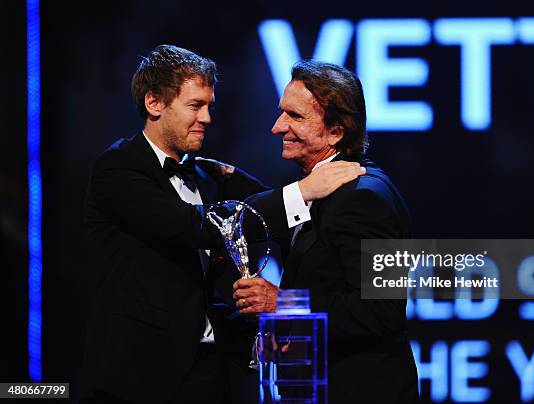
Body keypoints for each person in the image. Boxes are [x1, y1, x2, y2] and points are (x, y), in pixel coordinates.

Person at [80, 45, 364, 404]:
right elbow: (198, 227)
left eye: (210, 105)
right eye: (195, 105)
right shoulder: (117, 170)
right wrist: (302, 191)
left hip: (207, 379)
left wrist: (272, 322)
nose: (207, 117)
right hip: (135, 383)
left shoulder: (209, 175)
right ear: (154, 104)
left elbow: (207, 289)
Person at [232, 60, 419, 403]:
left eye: (295, 116)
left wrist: (283, 303)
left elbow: (381, 311)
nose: (277, 127)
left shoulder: (364, 200)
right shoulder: (324, 189)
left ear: (336, 131)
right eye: (281, 113)